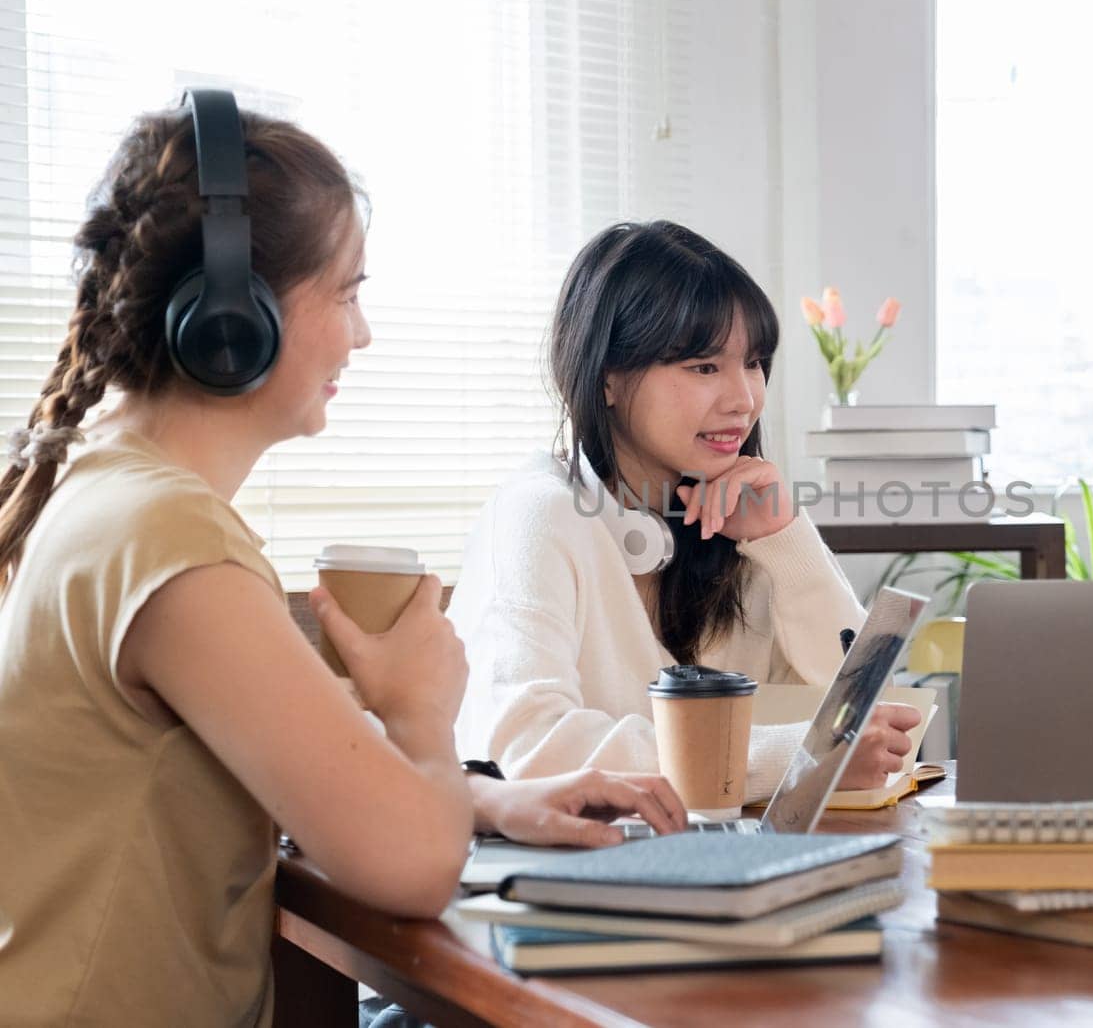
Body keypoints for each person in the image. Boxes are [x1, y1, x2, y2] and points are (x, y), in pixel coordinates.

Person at [0, 96, 679, 1027]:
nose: (364, 335)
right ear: (234, 319)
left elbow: (268, 777)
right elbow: (410, 868)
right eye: (349, 292)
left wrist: (489, 800)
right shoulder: (166, 539)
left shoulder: (116, 496)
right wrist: (420, 710)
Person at [450, 220, 921, 800]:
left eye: (753, 363)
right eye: (704, 367)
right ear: (608, 379)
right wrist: (795, 757)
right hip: (572, 874)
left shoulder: (735, 519)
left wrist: (786, 541)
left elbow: (873, 728)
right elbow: (525, 748)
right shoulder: (539, 514)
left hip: (718, 859)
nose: (743, 399)